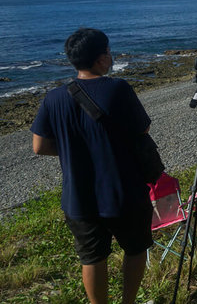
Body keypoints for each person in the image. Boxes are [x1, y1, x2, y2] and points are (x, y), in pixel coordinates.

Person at [31, 28, 152, 304]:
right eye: (108, 51)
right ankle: (128, 302)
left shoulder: (53, 98)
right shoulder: (118, 89)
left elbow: (39, 146)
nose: (111, 56)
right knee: (135, 248)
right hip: (123, 190)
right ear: (100, 59)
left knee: (92, 257)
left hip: (78, 195)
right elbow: (142, 130)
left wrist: (76, 148)